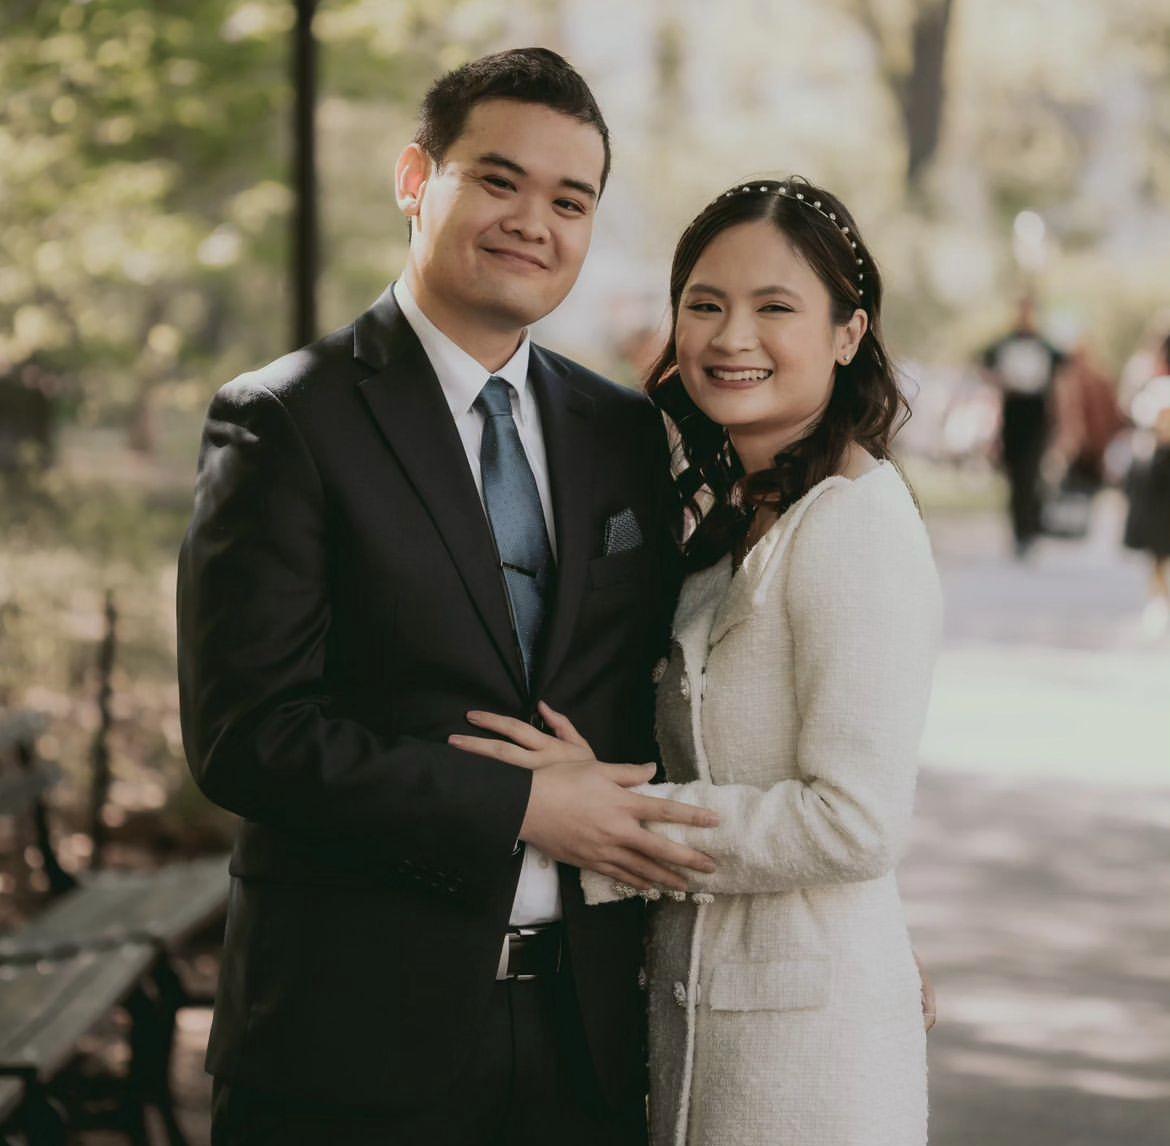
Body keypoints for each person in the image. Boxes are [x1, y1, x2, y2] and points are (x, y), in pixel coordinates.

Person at [177, 47, 721, 1145]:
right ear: (415, 179)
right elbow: (247, 737)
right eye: (499, 181)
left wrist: (850, 925)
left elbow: (679, 696)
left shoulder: (623, 433)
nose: (534, 223)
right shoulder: (286, 420)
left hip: (584, 1048)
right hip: (346, 1046)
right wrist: (519, 806)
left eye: (570, 200)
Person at [453, 177, 942, 1145]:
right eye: (705, 305)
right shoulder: (735, 509)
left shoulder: (853, 527)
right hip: (710, 1037)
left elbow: (856, 821)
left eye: (775, 308)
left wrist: (614, 815)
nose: (731, 338)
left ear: (849, 333)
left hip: (805, 1066)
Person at [980, 296, 1065, 556]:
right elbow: (984, 361)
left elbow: (1063, 366)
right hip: (1014, 411)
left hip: (1036, 413)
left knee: (1031, 473)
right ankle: (1019, 531)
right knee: (1016, 475)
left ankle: (1030, 530)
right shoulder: (1005, 344)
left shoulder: (1044, 345)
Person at [1122, 332, 1170, 640]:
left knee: (1159, 545)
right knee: (1159, 543)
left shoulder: (1153, 386)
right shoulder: (1153, 387)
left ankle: (1159, 598)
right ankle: (1159, 598)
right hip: (1158, 474)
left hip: (1157, 471)